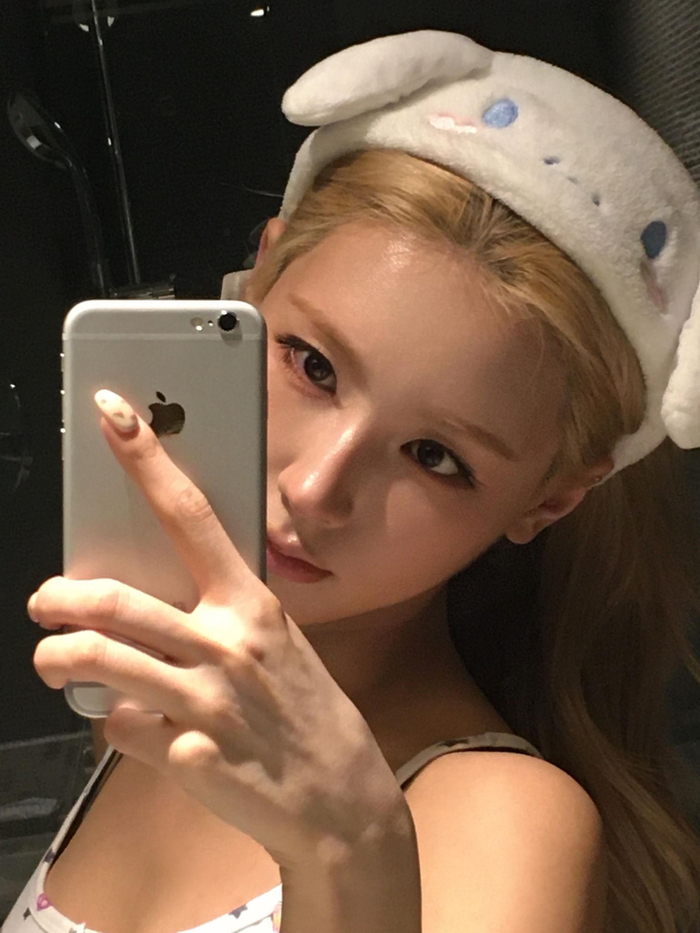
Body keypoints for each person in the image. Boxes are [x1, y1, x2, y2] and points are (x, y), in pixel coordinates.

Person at [5, 28, 700, 933]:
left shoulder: (506, 825)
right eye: (314, 365)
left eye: (436, 456)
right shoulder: (154, 701)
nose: (315, 487)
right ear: (258, 277)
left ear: (550, 498)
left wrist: (352, 852)